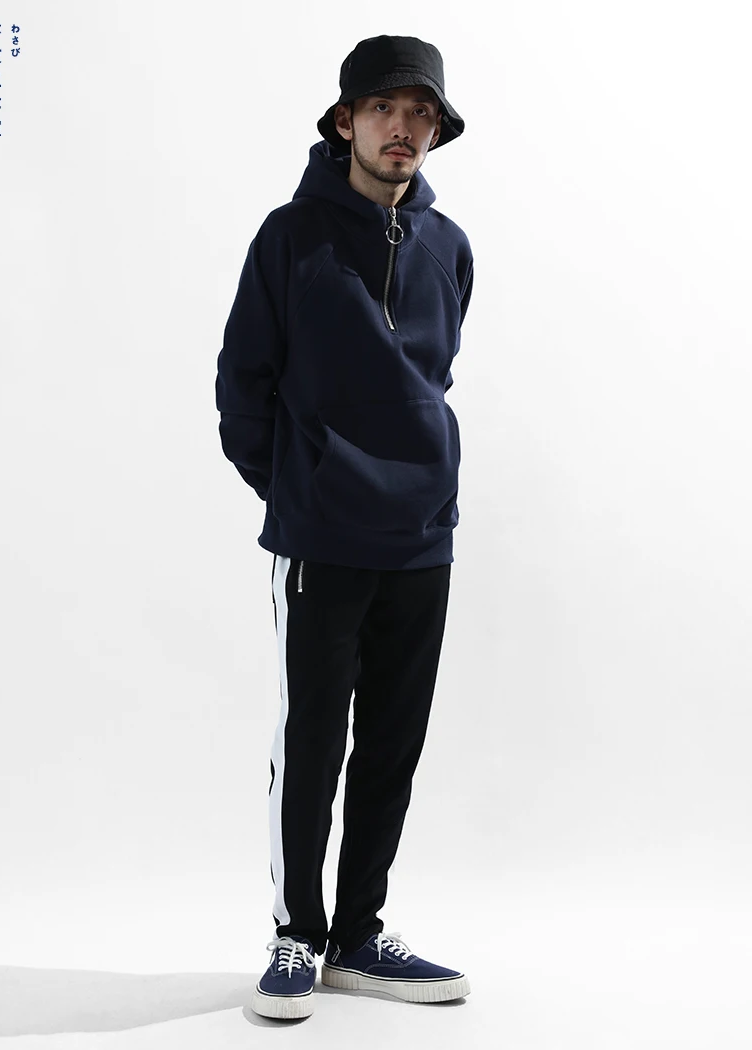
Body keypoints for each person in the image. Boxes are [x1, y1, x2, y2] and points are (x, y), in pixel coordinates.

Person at [215, 35, 475, 1020]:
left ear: (433, 132)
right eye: (383, 109)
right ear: (345, 121)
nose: (403, 128)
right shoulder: (291, 238)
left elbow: (433, 379)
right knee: (313, 741)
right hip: (321, 540)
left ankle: (359, 936)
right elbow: (242, 386)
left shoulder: (450, 248)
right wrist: (301, 491)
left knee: (392, 745)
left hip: (423, 539)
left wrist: (425, 484)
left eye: (420, 114)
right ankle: (297, 933)